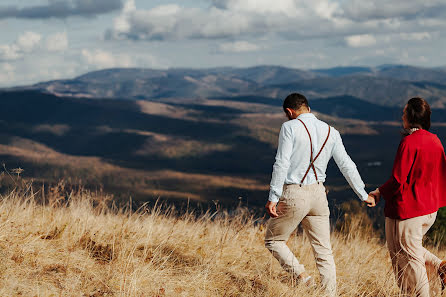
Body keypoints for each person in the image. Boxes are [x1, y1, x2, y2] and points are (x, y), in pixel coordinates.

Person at [264, 93, 375, 296]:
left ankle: (302, 278)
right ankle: (329, 293)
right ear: (307, 107)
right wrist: (363, 194)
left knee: (273, 241)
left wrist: (273, 195)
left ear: (289, 112)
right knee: (323, 250)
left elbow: (282, 163)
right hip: (318, 193)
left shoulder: (289, 127)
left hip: (294, 192)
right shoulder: (332, 131)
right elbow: (347, 165)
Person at [369, 97, 446, 297]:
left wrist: (378, 192)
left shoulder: (409, 142)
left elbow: (397, 179)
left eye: (404, 112)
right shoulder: (435, 140)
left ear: (411, 117)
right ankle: (441, 268)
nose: (402, 115)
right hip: (429, 209)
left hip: (408, 210)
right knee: (410, 250)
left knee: (408, 259)